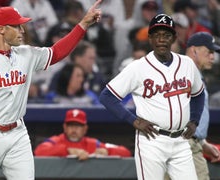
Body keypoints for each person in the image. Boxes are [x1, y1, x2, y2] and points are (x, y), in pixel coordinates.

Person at [0, 1, 102, 179]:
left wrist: (82, 25)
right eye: (16, 26)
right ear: (1, 29)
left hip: (17, 134)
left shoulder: (26, 54)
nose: (22, 31)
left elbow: (56, 53)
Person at [99, 14, 205, 180]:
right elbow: (107, 96)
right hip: (152, 140)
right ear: (150, 39)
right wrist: (133, 120)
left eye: (166, 35)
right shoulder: (137, 67)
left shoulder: (187, 64)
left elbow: (198, 95)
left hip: (181, 141)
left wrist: (195, 120)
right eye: (157, 35)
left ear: (174, 38)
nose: (161, 40)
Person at [178, 32, 220, 179]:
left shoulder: (190, 74)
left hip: (183, 143)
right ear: (194, 50)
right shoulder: (184, 75)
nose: (212, 57)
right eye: (209, 52)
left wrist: (202, 142)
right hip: (185, 145)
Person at [34, 109, 131, 160]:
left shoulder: (93, 144)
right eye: (71, 125)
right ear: (65, 127)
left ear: (85, 129)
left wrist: (107, 152)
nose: (74, 129)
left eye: (78, 126)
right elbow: (39, 151)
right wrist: (67, 150)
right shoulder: (56, 140)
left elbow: (125, 152)